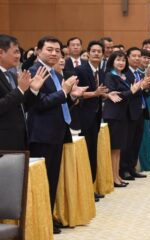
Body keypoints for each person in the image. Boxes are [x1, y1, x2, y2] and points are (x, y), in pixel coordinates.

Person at [28, 36, 87, 234]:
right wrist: (63, 91)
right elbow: (39, 104)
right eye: (49, 50)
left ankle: (49, 217)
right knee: (44, 179)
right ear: (38, 51)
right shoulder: (36, 72)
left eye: (57, 51)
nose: (54, 54)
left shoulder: (53, 72)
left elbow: (58, 103)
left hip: (56, 132)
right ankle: (43, 219)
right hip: (42, 134)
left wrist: (70, 96)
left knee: (53, 178)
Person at [75, 40, 122, 201]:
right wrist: (95, 94)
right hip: (82, 116)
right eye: (93, 51)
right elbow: (76, 94)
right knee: (86, 152)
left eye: (99, 51)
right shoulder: (80, 70)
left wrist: (106, 95)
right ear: (88, 52)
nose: (96, 53)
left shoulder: (101, 72)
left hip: (96, 116)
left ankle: (92, 187)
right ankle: (86, 189)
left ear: (103, 55)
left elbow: (99, 91)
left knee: (93, 151)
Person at [0, 34, 47, 150]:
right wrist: (20, 89)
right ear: (1, 52)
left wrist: (33, 90)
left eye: (19, 52)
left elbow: (21, 107)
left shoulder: (11, 74)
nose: (19, 55)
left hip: (18, 139)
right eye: (15, 52)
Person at [103, 51, 138, 187]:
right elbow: (116, 96)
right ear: (112, 61)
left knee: (118, 148)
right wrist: (131, 91)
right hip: (113, 115)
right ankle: (113, 178)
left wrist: (132, 90)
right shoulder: (109, 76)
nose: (121, 62)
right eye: (118, 60)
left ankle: (117, 175)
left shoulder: (124, 76)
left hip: (123, 115)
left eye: (123, 60)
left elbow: (124, 95)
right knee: (114, 148)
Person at [120, 47, 150, 180]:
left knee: (136, 142)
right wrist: (141, 87)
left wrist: (145, 88)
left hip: (141, 111)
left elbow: (143, 92)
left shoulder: (139, 73)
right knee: (127, 142)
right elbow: (128, 93)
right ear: (128, 58)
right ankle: (124, 169)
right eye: (134, 56)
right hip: (129, 112)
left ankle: (132, 168)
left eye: (139, 56)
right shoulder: (125, 74)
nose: (137, 58)